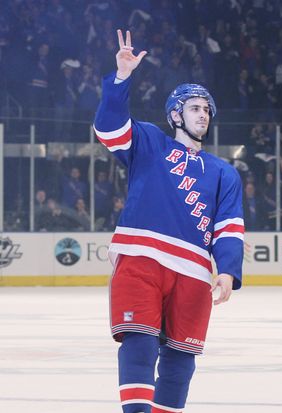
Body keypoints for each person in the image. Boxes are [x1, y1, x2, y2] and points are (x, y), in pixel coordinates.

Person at [94, 30, 244, 413]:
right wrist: (122, 78)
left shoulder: (224, 172)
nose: (203, 115)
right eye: (195, 108)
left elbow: (228, 227)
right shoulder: (149, 141)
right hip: (142, 257)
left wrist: (226, 270)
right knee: (139, 342)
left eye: (207, 110)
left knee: (181, 362)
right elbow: (109, 129)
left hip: (194, 271)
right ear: (176, 114)